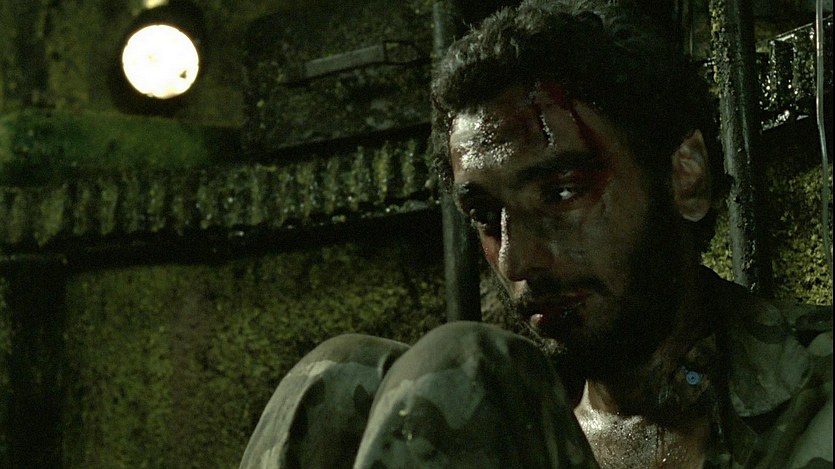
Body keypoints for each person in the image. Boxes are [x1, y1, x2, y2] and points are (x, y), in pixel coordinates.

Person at [239, 1, 833, 468]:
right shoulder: (499, 424)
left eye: (563, 193)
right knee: (339, 373)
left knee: (464, 360)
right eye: (485, 215)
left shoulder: (815, 385)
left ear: (685, 177)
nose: (517, 259)